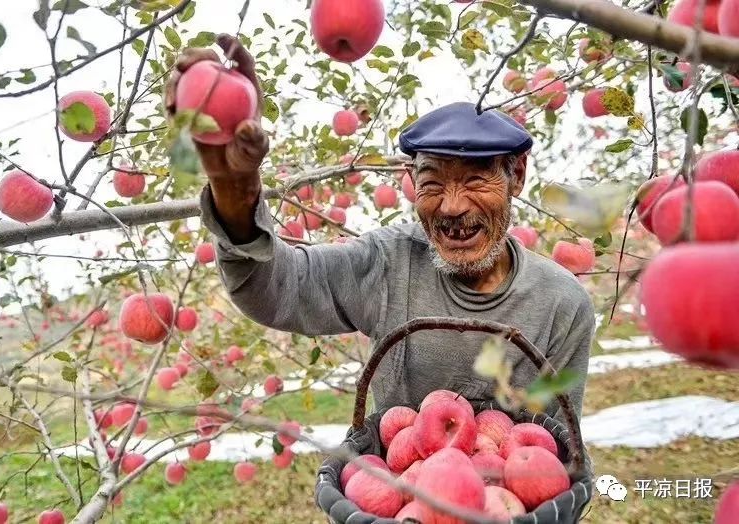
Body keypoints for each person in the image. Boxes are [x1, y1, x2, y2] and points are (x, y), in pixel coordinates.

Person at [165, 35, 595, 421]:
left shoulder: (561, 304)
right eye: (431, 182)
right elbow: (276, 288)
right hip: (396, 498)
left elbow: (558, 451)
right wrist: (232, 184)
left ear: (516, 176)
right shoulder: (389, 264)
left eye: (475, 180)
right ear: (411, 181)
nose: (452, 206)